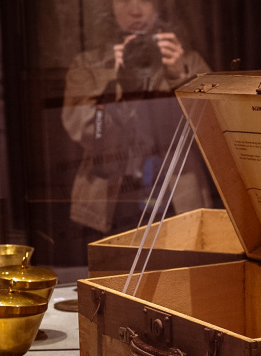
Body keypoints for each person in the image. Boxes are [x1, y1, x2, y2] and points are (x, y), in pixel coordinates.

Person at [62, 0, 213, 236]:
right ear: (109, 7)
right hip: (109, 199)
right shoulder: (89, 65)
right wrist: (116, 85)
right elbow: (83, 131)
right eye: (124, 0)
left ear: (160, 5)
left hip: (178, 196)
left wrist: (180, 77)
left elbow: (211, 128)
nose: (135, 11)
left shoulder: (187, 61)